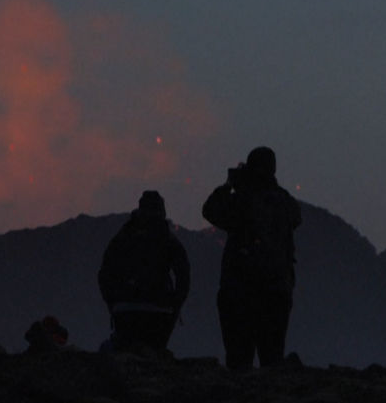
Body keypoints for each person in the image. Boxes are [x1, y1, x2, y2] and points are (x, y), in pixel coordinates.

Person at [202, 146, 302, 370]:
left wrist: (230, 185)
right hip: (277, 292)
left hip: (240, 292)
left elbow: (210, 210)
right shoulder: (284, 202)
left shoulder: (242, 201)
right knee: (272, 360)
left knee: (239, 361)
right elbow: (297, 217)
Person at [98, 190, 190, 355]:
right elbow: (184, 276)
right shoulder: (168, 240)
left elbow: (104, 274)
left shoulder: (122, 238)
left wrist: (113, 304)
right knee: (154, 352)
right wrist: (174, 306)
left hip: (124, 310)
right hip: (160, 312)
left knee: (124, 349)